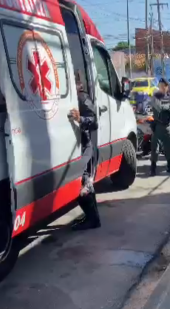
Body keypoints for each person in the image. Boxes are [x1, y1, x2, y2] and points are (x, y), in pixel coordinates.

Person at [69, 74, 101, 231]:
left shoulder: (82, 98)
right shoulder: (72, 99)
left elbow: (94, 122)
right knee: (85, 182)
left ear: (78, 84)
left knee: (84, 182)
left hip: (85, 146)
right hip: (76, 146)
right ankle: (91, 216)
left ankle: (93, 219)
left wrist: (80, 118)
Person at [150, 78, 170, 176]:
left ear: (167, 87)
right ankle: (153, 168)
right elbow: (160, 108)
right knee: (155, 148)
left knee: (169, 146)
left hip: (168, 125)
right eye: (160, 85)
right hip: (158, 125)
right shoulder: (156, 97)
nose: (162, 87)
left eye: (164, 86)